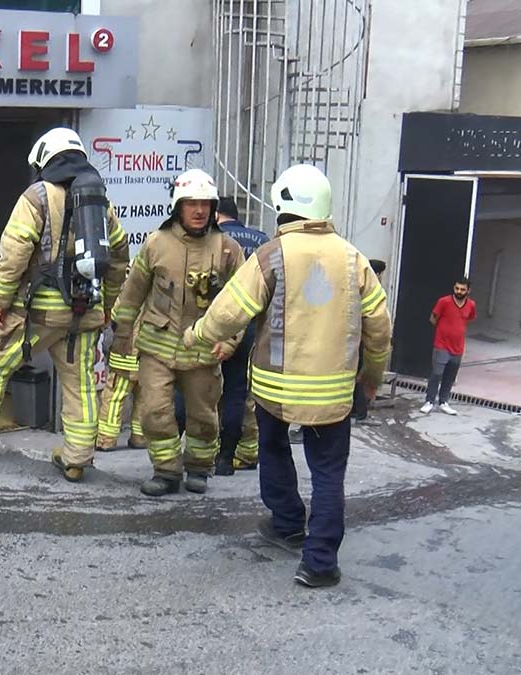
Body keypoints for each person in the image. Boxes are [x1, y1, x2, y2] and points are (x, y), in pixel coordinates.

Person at [184, 164, 392, 588]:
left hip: (275, 389)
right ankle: (318, 563)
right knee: (329, 473)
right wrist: (370, 378)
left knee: (275, 450)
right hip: (334, 393)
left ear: (285, 208)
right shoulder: (354, 259)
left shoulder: (273, 255)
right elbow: (379, 329)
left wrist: (196, 335)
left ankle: (287, 523)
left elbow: (230, 310)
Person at [0, 127, 130, 482]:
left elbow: (15, 252)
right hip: (85, 313)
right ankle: (77, 459)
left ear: (45, 158)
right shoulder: (101, 203)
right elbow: (119, 257)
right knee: (80, 386)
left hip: (37, 314)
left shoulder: (37, 196)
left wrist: (0, 298)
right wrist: (107, 303)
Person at [111, 169, 244, 496]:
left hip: (203, 351)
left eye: (205, 204)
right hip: (157, 348)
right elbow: (131, 296)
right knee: (155, 412)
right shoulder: (156, 244)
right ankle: (166, 471)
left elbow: (242, 302)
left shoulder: (227, 249)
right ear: (177, 207)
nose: (199, 211)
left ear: (213, 208)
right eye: (191, 204)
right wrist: (121, 341)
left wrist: (229, 341)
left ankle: (198, 468)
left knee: (202, 417)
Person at [212, 196, 269, 474]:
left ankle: (205, 451)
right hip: (250, 326)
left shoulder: (212, 238)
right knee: (240, 392)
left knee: (204, 391)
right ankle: (232, 455)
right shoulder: (261, 240)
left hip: (214, 325)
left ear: (217, 214)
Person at [95, 265, 147, 454]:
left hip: (124, 354)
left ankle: (106, 440)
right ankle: (139, 437)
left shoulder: (127, 294)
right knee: (144, 399)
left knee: (114, 397)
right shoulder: (157, 295)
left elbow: (113, 316)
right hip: (146, 358)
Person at [420, 277, 476, 415]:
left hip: (458, 347)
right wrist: (442, 330)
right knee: (437, 373)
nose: (459, 291)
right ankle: (430, 401)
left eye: (462, 289)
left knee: (450, 376)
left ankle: (443, 401)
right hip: (441, 344)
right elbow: (433, 317)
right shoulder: (444, 301)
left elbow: (470, 319)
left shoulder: (471, 305)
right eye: (457, 288)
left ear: (468, 290)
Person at [351, 259, 387, 424]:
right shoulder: (371, 289)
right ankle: (361, 413)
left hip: (353, 338)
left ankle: (354, 412)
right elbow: (377, 323)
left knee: (354, 376)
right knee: (362, 377)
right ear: (377, 274)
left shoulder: (355, 285)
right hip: (362, 340)